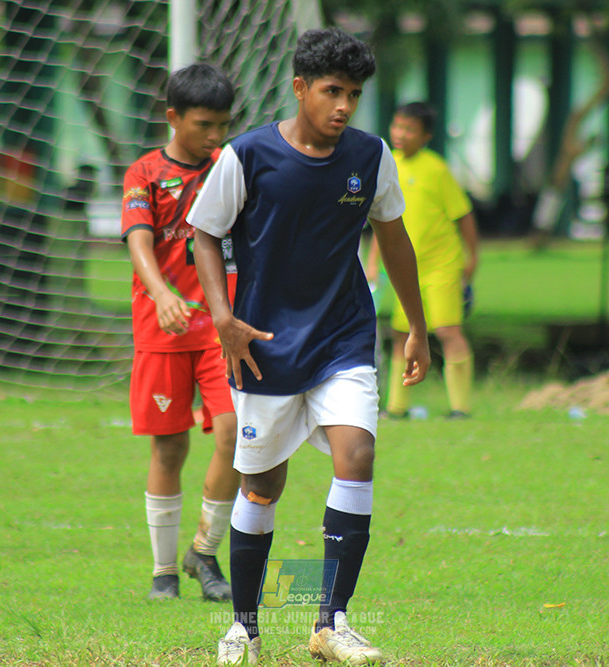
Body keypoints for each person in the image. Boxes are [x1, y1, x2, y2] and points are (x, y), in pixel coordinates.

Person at [188, 28, 430, 666]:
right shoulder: (247, 155)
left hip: (343, 336)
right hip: (262, 343)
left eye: (353, 93)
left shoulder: (371, 156)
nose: (344, 105)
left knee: (357, 454)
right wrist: (223, 318)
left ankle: (332, 623)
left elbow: (395, 240)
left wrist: (419, 327)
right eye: (331, 91)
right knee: (262, 484)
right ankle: (244, 626)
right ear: (300, 88)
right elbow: (205, 235)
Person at [121, 63, 240, 602]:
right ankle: (164, 572)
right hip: (163, 328)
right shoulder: (144, 173)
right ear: (173, 118)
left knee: (235, 432)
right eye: (203, 124)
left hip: (222, 328)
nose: (214, 136)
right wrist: (163, 292)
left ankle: (205, 552)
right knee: (168, 451)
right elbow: (139, 241)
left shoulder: (233, 167)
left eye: (222, 125)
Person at [367, 102, 480, 419]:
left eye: (409, 129)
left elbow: (464, 215)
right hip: (407, 269)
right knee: (403, 334)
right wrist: (374, 261)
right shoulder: (389, 167)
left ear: (426, 136)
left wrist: (473, 257)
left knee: (447, 331)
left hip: (441, 265)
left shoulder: (437, 170)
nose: (400, 134)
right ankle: (397, 408)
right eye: (397, 126)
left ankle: (460, 407)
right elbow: (383, 221)